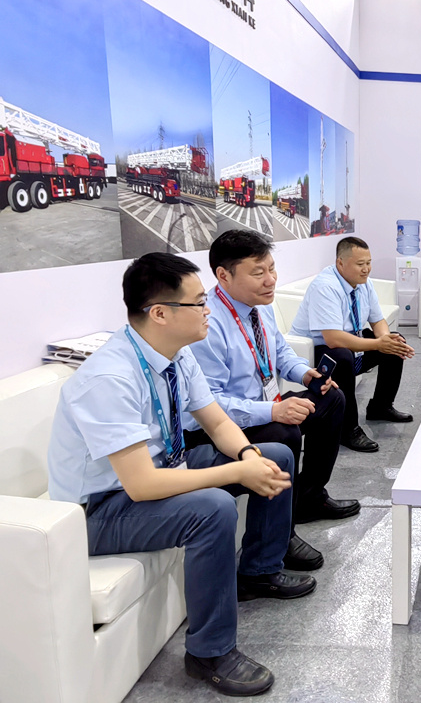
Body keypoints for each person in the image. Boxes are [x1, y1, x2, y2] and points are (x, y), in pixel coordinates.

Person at [47, 253, 315, 697]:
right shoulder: (110, 378)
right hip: (96, 512)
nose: (209, 310)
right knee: (213, 508)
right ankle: (209, 652)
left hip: (161, 472)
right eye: (200, 302)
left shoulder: (175, 355)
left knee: (275, 454)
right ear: (160, 313)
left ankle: (258, 571)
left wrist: (248, 455)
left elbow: (217, 422)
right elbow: (142, 485)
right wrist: (236, 472)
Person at [187, 230, 360, 574]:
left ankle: (309, 497)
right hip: (220, 428)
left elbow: (280, 351)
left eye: (271, 269)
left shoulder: (258, 306)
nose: (270, 280)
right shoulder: (208, 325)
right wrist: (274, 411)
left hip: (263, 407)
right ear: (223, 275)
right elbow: (210, 405)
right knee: (284, 433)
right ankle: (278, 539)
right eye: (258, 273)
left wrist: (305, 375)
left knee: (331, 398)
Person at [290, 236, 415, 453]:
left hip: (348, 341)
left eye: (368, 263)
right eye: (360, 264)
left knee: (395, 342)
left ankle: (380, 407)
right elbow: (333, 338)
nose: (366, 269)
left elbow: (378, 320)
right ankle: (348, 429)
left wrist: (386, 341)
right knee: (342, 355)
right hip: (315, 350)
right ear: (340, 263)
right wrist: (378, 344)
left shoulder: (364, 283)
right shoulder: (325, 287)